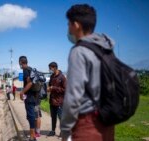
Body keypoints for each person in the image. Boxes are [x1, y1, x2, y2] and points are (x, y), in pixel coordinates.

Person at [60, 4, 115, 141]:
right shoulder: (105, 48)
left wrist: (66, 128)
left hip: (88, 124)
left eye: (69, 24)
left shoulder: (79, 51)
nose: (68, 29)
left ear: (76, 25)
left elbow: (73, 96)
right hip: (108, 122)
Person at [19, 56, 37, 141]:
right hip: (34, 96)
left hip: (29, 97)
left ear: (21, 62)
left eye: (19, 63)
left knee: (31, 116)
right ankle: (33, 136)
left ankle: (32, 137)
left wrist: (22, 92)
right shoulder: (31, 69)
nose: (19, 65)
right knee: (32, 116)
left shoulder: (26, 70)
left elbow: (29, 83)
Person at [47, 62, 66, 137]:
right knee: (53, 117)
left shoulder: (62, 77)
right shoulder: (51, 76)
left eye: (50, 68)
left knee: (61, 117)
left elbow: (65, 89)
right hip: (52, 101)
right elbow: (49, 86)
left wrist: (54, 88)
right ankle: (53, 130)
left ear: (54, 68)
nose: (49, 70)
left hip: (60, 101)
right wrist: (49, 89)